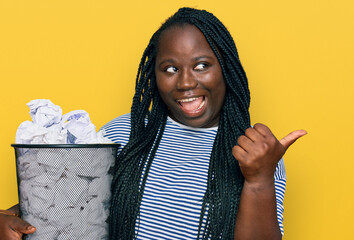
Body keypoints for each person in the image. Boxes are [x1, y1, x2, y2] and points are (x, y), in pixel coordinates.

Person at [0, 7, 306, 240]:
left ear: (226, 69)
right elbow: (65, 204)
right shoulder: (125, 133)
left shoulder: (254, 155)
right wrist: (9, 219)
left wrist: (259, 180)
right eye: (170, 68)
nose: (186, 82)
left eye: (202, 65)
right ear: (153, 76)